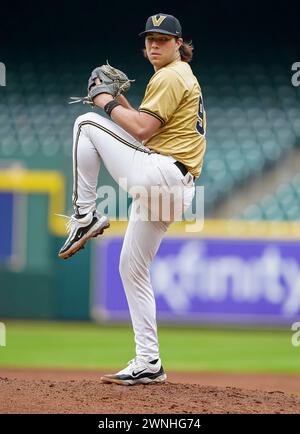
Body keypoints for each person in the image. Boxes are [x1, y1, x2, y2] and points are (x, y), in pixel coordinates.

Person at [58, 13, 206, 385]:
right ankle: (148, 362)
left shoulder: (172, 75)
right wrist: (120, 99)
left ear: (179, 43)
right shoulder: (173, 77)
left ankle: (84, 216)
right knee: (131, 267)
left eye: (163, 38)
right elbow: (142, 134)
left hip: (163, 175)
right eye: (149, 39)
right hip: (173, 187)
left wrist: (104, 100)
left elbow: (140, 130)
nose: (154, 44)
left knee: (85, 124)